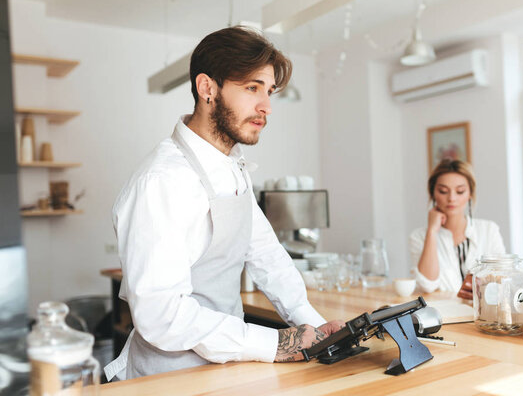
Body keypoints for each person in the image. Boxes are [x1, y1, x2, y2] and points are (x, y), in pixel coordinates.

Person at [104, 26, 343, 381]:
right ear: (207, 89)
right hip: (169, 379)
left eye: (270, 91)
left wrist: (321, 329)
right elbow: (161, 315)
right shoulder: (162, 181)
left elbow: (268, 257)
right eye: (252, 88)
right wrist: (275, 344)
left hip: (225, 369)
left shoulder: (233, 168)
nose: (267, 107)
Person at [409, 159, 506, 298]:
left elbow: (503, 279)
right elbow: (427, 285)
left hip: (484, 314)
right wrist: (431, 231)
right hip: (444, 316)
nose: (452, 198)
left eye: (460, 191)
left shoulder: (489, 230)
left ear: (470, 194)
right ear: (433, 193)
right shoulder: (419, 236)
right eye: (443, 191)